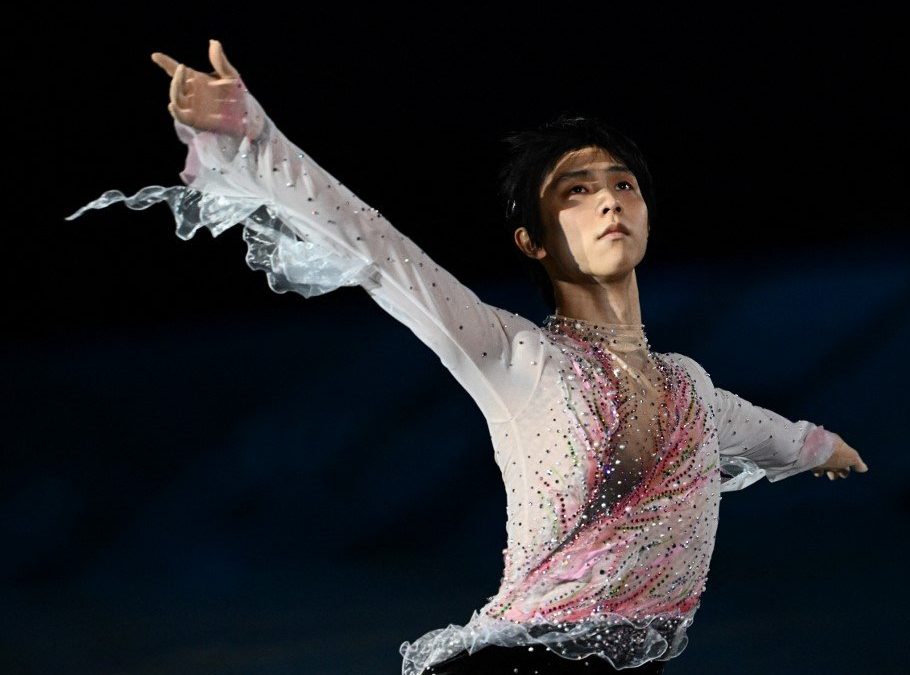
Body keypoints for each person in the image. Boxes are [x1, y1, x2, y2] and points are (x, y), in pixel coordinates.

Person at [66, 39, 869, 675]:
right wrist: (257, 137)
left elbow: (757, 430)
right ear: (533, 237)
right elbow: (379, 250)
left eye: (622, 184)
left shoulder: (688, 384)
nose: (609, 200)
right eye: (575, 190)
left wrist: (820, 447)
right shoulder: (512, 350)